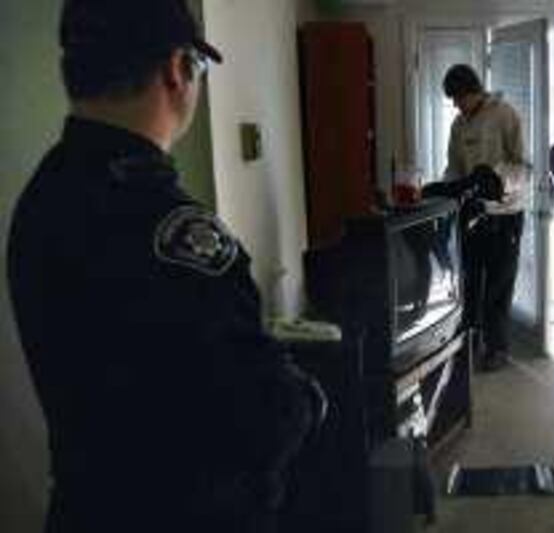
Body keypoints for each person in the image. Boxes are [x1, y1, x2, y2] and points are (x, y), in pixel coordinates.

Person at [6, 1, 325, 531]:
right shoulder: (177, 232)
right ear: (178, 69)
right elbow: (262, 417)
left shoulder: (43, 198)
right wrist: (309, 398)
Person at [441, 64, 528, 371]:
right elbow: (454, 167)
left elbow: (522, 165)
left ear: (473, 91)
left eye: (457, 97)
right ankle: (470, 343)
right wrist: (448, 191)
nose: (455, 104)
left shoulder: (505, 115)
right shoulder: (458, 124)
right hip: (472, 214)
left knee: (498, 286)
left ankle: (498, 349)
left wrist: (496, 182)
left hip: (505, 215)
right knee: (470, 282)